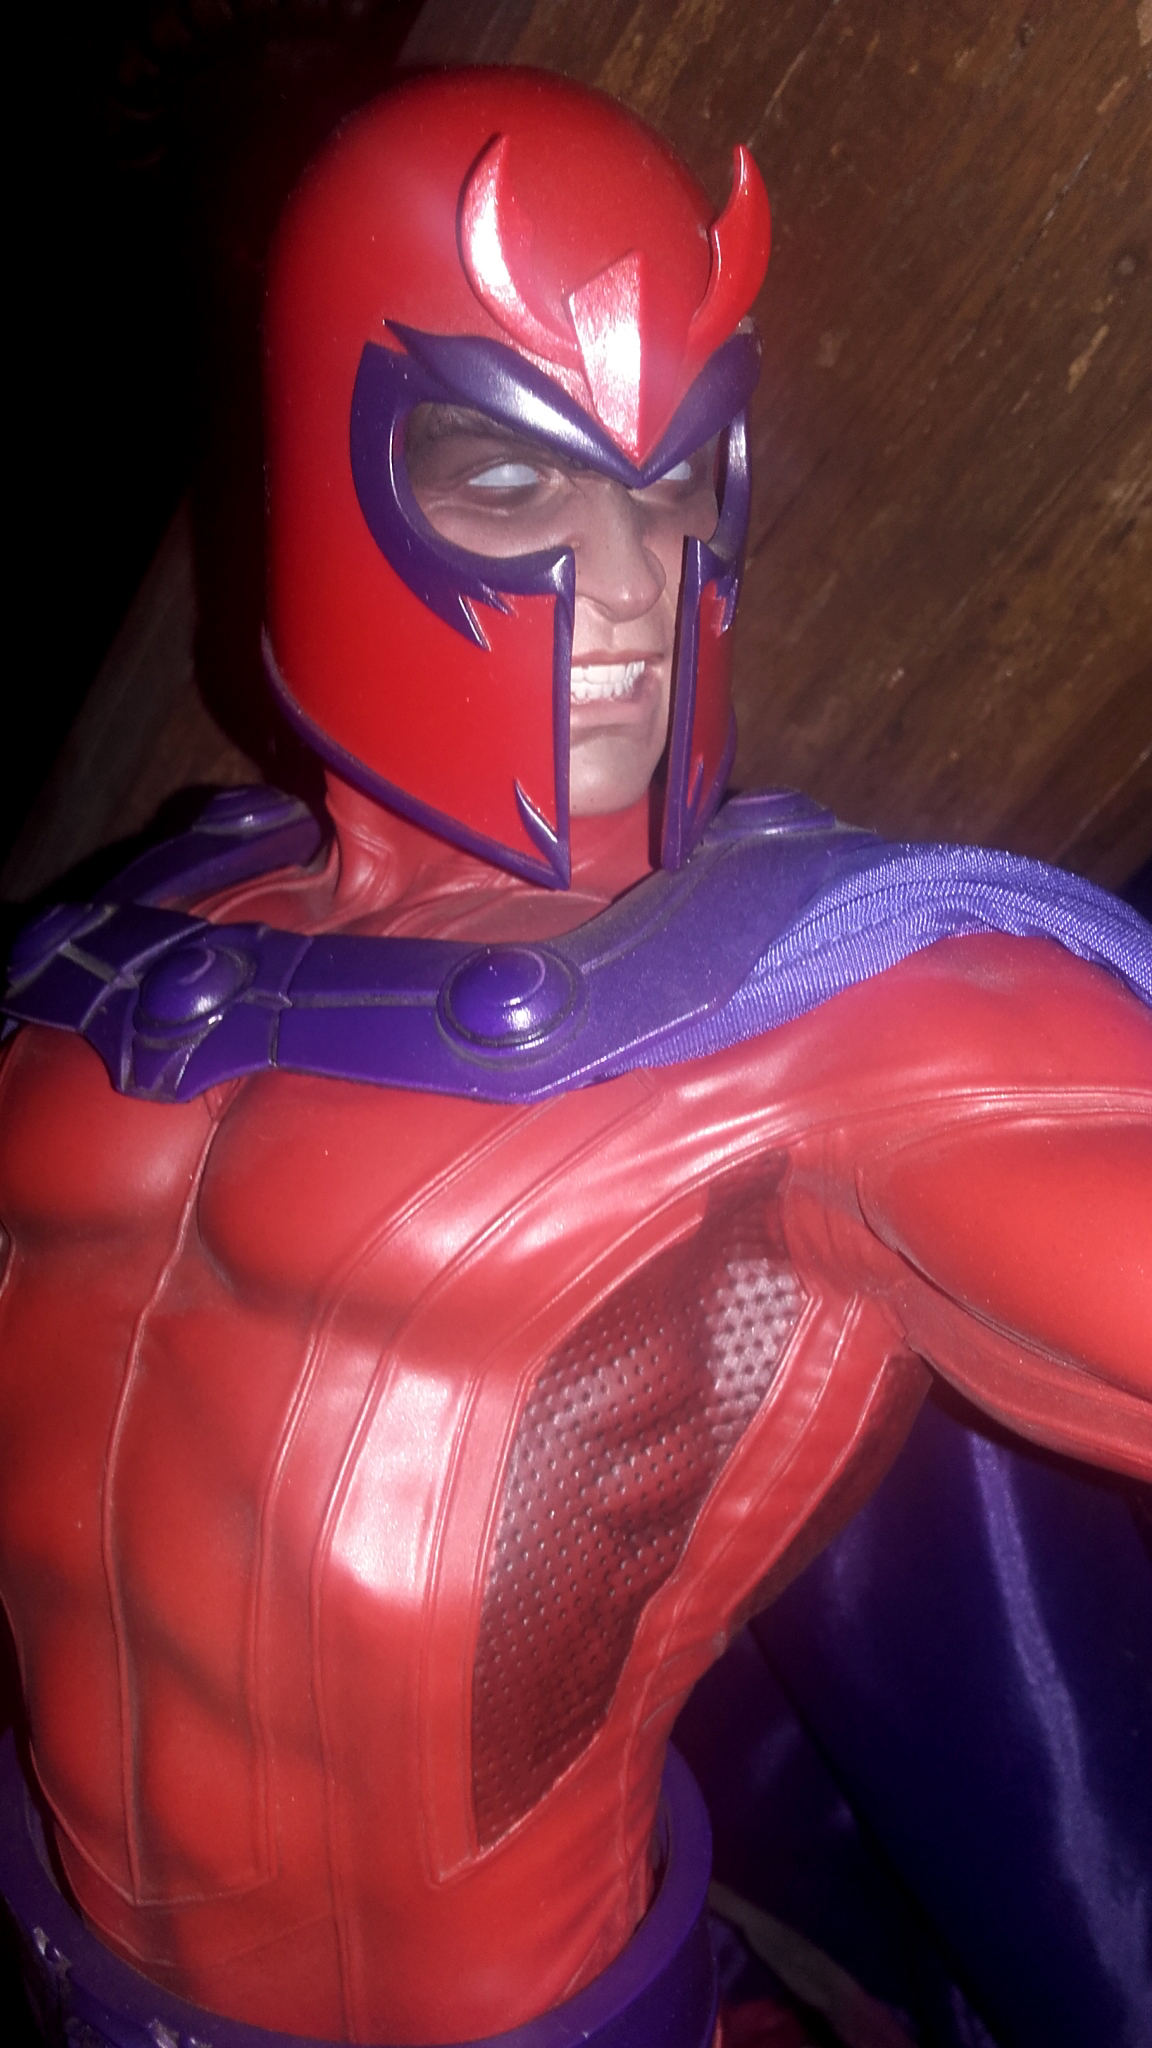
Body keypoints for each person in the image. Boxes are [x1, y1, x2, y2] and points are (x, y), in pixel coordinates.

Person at [0, 66, 1149, 2048]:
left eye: (681, 485)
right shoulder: (115, 948)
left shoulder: (830, 1010)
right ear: (329, 455)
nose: (631, 584)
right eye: (512, 480)